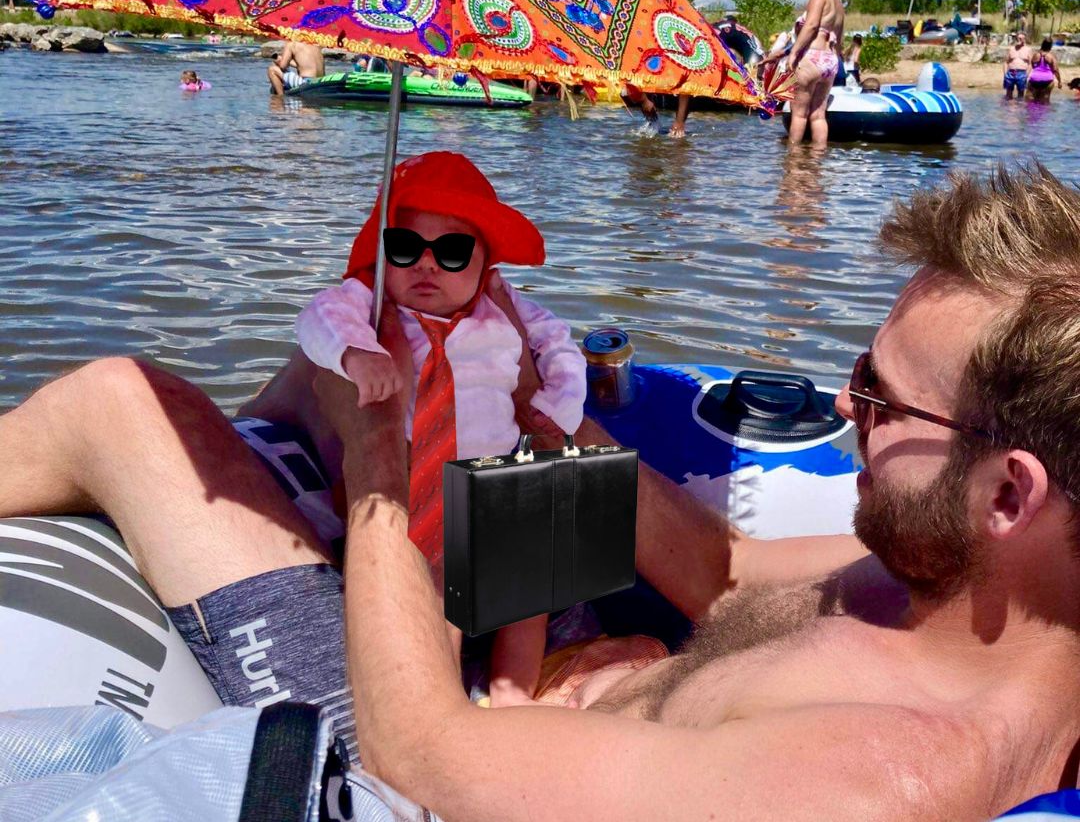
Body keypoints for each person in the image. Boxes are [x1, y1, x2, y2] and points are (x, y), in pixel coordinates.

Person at [328, 161, 1080, 819]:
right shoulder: (937, 572)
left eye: (879, 395)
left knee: (219, 436)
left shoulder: (870, 781)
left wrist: (381, 453)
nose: (845, 406)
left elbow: (416, 749)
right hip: (576, 688)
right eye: (858, 373)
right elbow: (725, 573)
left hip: (443, 767)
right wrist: (553, 417)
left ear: (1009, 497)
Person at [296, 150, 587, 707]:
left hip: (498, 476)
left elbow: (560, 347)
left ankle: (512, 694)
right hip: (416, 478)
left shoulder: (501, 310)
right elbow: (319, 316)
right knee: (441, 575)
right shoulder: (376, 303)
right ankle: (440, 693)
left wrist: (561, 408)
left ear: (485, 267)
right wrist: (357, 354)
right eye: (406, 249)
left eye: (452, 252)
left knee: (536, 574)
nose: (427, 265)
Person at [763, 0, 845, 147]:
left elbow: (812, 26)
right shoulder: (839, 3)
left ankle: (794, 158)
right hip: (830, 60)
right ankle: (816, 160)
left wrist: (794, 53)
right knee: (818, 114)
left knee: (798, 113)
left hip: (812, 57)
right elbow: (839, 38)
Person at [1027, 38, 1062, 103]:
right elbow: (1055, 70)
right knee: (1044, 101)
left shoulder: (1036, 55)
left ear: (1042, 44)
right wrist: (1059, 82)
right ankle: (1042, 112)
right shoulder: (1051, 56)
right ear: (1051, 46)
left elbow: (1032, 65)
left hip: (1034, 80)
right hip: (1047, 81)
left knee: (1030, 100)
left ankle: (1032, 112)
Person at [1003, 32, 1033, 100]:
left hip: (1021, 73)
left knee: (1021, 93)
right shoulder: (1011, 49)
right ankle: (1008, 108)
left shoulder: (1028, 50)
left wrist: (1026, 75)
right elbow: (1006, 62)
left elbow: (1031, 64)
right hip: (1010, 73)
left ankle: (1019, 107)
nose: (1018, 40)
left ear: (1024, 39)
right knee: (1008, 93)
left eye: (1020, 38)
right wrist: (1005, 74)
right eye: (1017, 38)